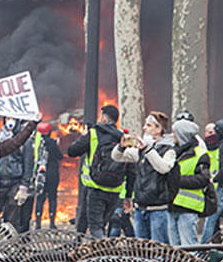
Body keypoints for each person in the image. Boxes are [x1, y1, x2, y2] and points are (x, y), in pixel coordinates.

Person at [111, 111, 172, 243]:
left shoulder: (169, 149)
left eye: (148, 125)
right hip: (139, 208)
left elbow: (163, 168)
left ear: (159, 129)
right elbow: (117, 157)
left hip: (158, 209)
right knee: (142, 250)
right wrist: (121, 147)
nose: (144, 128)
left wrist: (148, 150)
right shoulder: (141, 151)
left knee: (159, 249)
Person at [67, 105, 126, 239]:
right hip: (115, 190)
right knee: (98, 224)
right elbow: (131, 168)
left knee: (96, 228)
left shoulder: (93, 133)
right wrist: (127, 195)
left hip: (95, 187)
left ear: (104, 118)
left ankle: (101, 256)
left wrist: (83, 135)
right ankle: (78, 247)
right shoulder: (123, 137)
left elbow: (72, 151)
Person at [166, 119, 211, 246]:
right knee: (174, 249)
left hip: (188, 207)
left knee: (189, 247)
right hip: (172, 205)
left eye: (175, 133)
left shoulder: (200, 154)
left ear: (182, 134)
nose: (172, 135)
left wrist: (177, 181)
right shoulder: (173, 153)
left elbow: (203, 179)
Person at [0, 118, 32, 232]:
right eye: (7, 118)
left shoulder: (25, 141)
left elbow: (28, 163)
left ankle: (10, 245)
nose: (10, 121)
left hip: (15, 183)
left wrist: (24, 186)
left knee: (12, 220)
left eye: (13, 118)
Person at [31, 122, 64, 229]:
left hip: (40, 174)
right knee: (52, 198)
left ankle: (38, 223)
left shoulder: (35, 144)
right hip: (52, 174)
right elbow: (60, 156)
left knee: (40, 198)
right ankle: (52, 223)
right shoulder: (52, 143)